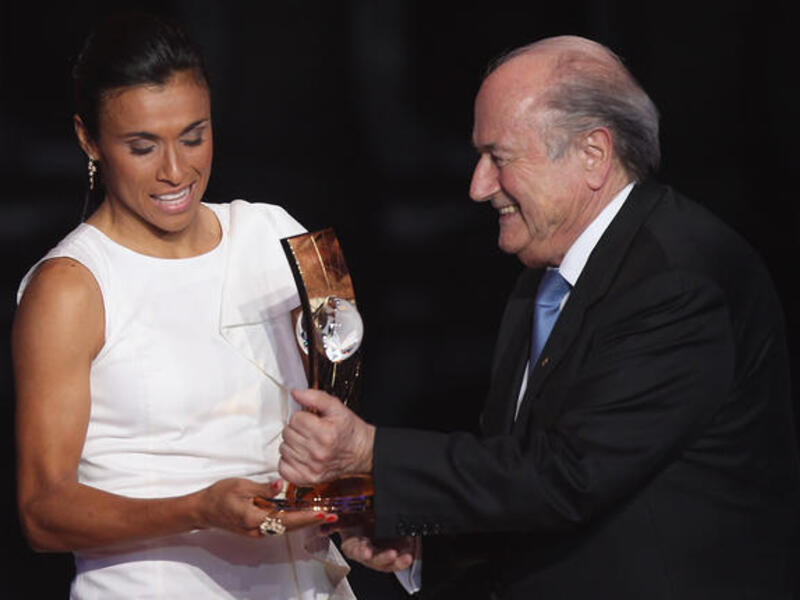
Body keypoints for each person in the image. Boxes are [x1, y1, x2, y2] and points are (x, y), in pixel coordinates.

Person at [278, 35, 800, 598]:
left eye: (499, 157)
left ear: (593, 155)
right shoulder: (545, 280)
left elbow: (568, 475)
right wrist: (426, 548)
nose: (478, 186)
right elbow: (529, 487)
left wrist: (372, 452)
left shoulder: (680, 279)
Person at [11, 13, 355, 599]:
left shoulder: (275, 236)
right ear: (88, 139)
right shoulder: (73, 285)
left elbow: (339, 403)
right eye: (142, 146)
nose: (176, 171)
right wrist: (199, 508)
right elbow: (43, 511)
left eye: (193, 136)